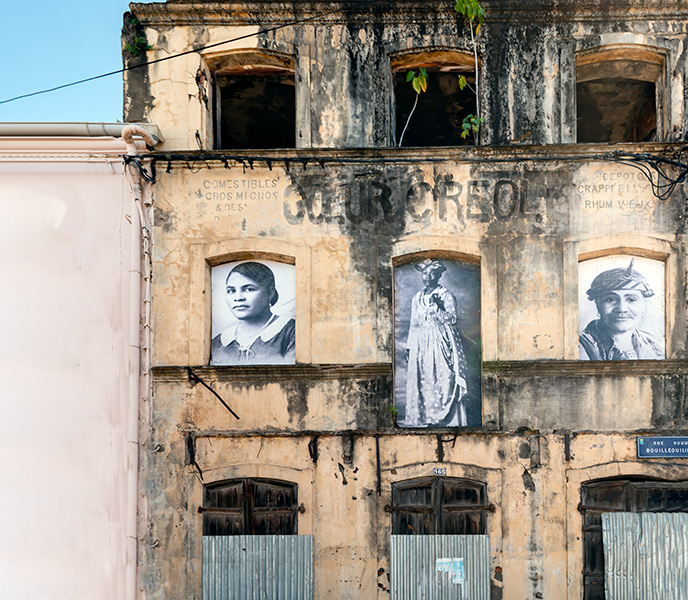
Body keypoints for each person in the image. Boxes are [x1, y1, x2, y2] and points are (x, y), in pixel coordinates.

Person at [402, 258, 469, 426]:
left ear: (438, 276)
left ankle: (445, 418)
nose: (428, 276)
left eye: (432, 273)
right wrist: (409, 346)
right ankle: (426, 417)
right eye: (425, 273)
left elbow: (452, 319)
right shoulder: (417, 297)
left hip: (439, 340)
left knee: (442, 377)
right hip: (420, 341)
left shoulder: (445, 295)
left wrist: (437, 307)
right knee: (423, 376)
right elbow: (413, 323)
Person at [210, 262, 295, 365]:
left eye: (249, 289)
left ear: (270, 293)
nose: (238, 298)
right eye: (231, 291)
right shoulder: (219, 342)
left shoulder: (292, 332)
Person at [579, 259, 664, 360]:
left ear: (643, 306)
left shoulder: (655, 346)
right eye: (610, 299)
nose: (622, 309)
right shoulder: (580, 346)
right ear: (598, 305)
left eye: (631, 299)